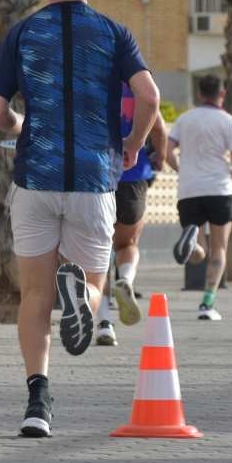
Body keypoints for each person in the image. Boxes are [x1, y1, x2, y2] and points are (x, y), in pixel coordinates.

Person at [0, 0, 158, 438]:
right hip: (92, 179)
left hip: (36, 177)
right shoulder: (114, 33)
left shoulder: (23, 33)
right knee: (94, 283)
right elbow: (150, 97)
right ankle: (81, 299)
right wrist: (132, 144)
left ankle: (38, 401)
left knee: (34, 296)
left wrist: (19, 125)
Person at [168, 75, 232, 321]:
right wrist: (231, 174)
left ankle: (193, 244)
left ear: (200, 94)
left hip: (189, 189)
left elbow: (167, 150)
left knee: (198, 253)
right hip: (219, 189)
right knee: (219, 249)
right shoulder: (229, 121)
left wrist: (181, 169)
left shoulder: (184, 119)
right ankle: (207, 301)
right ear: (222, 94)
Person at [96, 85, 167, 346]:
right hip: (133, 176)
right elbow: (159, 129)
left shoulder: (92, 81)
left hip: (95, 175)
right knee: (127, 244)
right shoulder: (139, 87)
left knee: (98, 250)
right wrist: (159, 158)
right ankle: (125, 278)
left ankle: (104, 324)